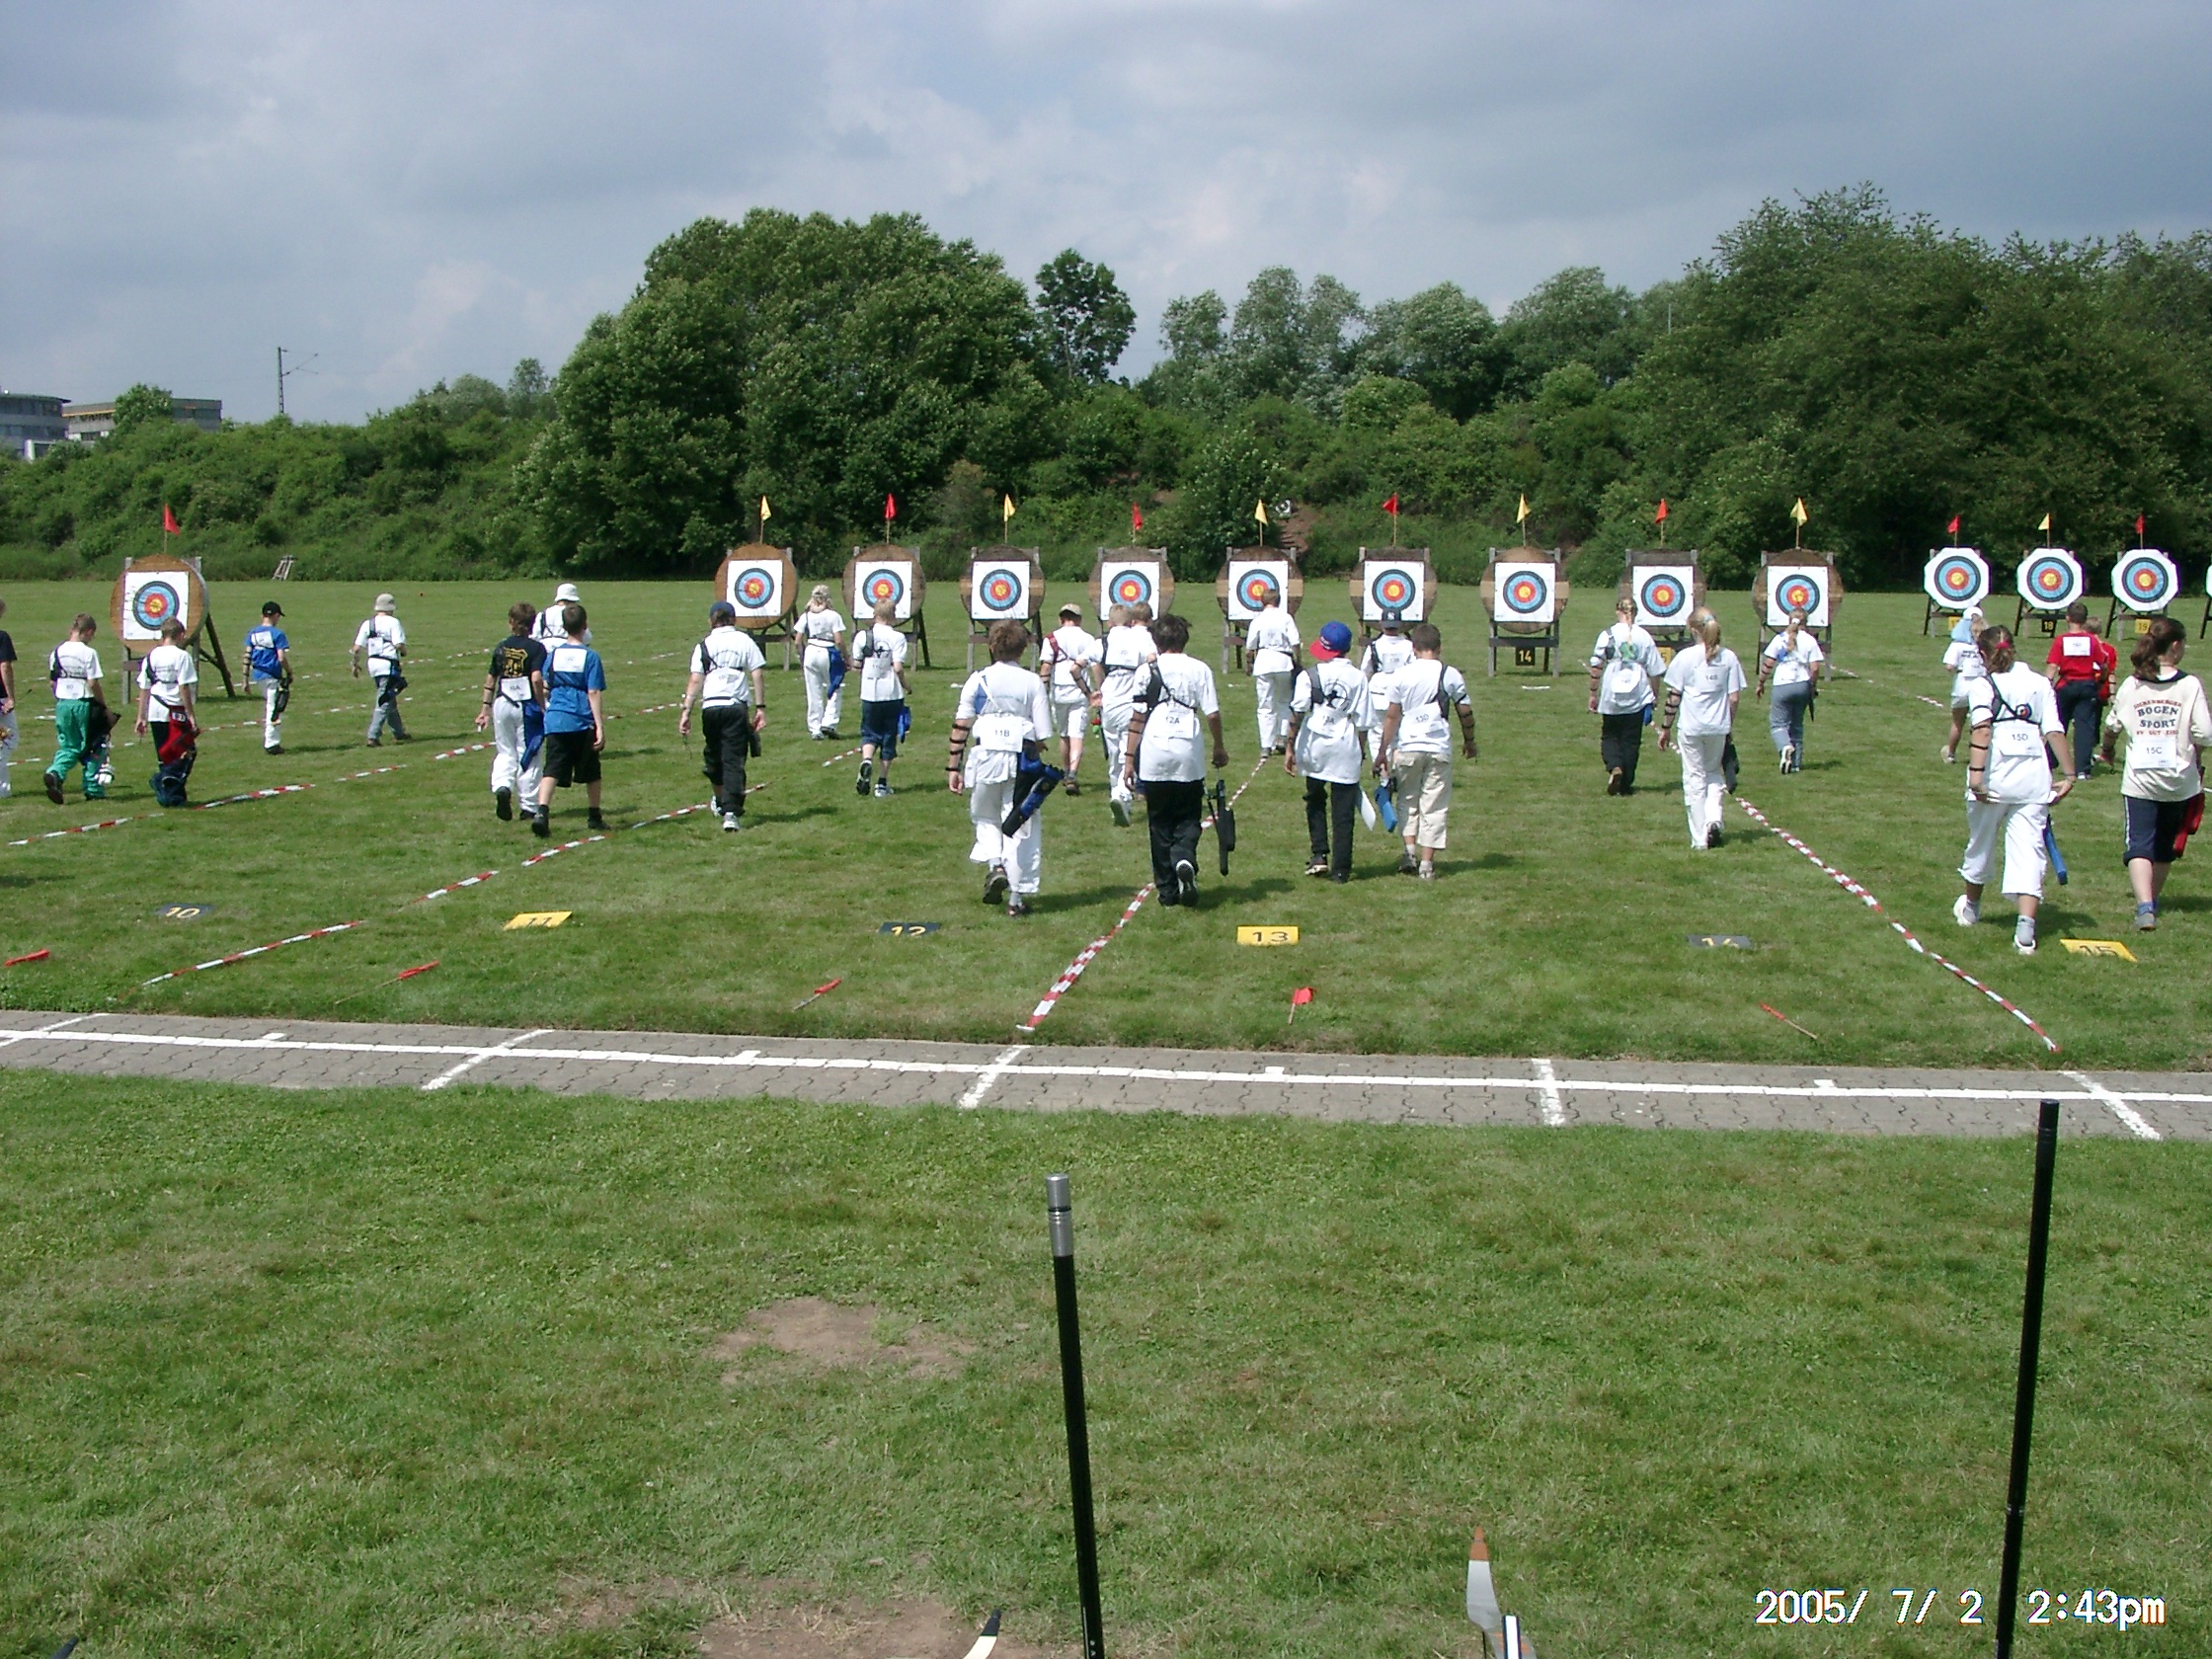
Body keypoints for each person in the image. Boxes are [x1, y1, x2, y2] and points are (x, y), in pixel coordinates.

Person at [1955, 624, 2074, 954]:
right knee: (2029, 850)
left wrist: (1976, 778)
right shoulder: (2039, 683)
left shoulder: (1983, 685)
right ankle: (2025, 929)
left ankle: (1971, 907)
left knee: (1981, 843)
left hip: (1995, 777)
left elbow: (1982, 730)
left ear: (1983, 654)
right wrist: (2069, 774)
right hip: (2033, 778)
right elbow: (2054, 730)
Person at [2100, 616, 2211, 930]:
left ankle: (2144, 905)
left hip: (2140, 779)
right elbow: (2204, 733)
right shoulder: (2189, 685)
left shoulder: (2133, 684)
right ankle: (2152, 900)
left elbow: (2112, 725)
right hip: (2178, 779)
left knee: (2139, 842)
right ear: (2175, 646)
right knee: (2164, 845)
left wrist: (2107, 749)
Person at [948, 619, 1052, 916]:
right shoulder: (1032, 681)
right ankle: (1016, 898)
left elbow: (961, 725)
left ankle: (995, 865)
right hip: (1022, 759)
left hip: (985, 757)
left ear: (992, 647)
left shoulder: (978, 679)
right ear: (1023, 648)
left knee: (984, 815)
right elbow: (1043, 734)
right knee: (1019, 825)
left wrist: (952, 767)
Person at [1122, 612, 1226, 907]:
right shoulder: (1199, 669)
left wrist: (1128, 760)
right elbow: (1213, 714)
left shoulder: (1146, 671)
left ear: (1156, 640)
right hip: (1187, 752)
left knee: (1159, 822)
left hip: (1154, 752)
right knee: (1189, 815)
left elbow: (1137, 718)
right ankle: (1184, 857)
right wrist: (1219, 747)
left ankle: (1167, 891)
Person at [1376, 621, 1476, 879]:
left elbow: (1392, 716)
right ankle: (1427, 865)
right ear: (1439, 648)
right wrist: (1470, 741)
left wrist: (1382, 751)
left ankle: (1409, 852)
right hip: (1438, 747)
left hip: (1408, 746)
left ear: (1414, 648)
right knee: (1434, 805)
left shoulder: (1401, 675)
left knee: (1407, 799)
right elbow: (1465, 712)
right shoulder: (1450, 674)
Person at [1285, 619, 1371, 882]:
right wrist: (1361, 751)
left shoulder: (1308, 675)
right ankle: (1341, 869)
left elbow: (1297, 713)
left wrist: (1289, 747)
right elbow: (1363, 722)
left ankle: (1319, 854)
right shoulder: (1358, 677)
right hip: (1345, 745)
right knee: (1343, 810)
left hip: (1314, 746)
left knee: (1315, 799)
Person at [1657, 609, 1746, 849]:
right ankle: (1713, 819)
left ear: (1693, 629)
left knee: (1694, 778)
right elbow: (1734, 698)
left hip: (1692, 727)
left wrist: (1665, 727)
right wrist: (1728, 725)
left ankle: (1699, 838)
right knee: (1713, 772)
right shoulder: (1729, 657)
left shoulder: (1685, 657)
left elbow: (1674, 696)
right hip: (1718, 727)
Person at [680, 599, 767, 830]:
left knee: (714, 756)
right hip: (735, 707)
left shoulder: (704, 644)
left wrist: (686, 711)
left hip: (710, 707)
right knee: (733, 759)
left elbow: (695, 679)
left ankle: (721, 801)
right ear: (733, 619)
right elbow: (757, 673)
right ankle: (730, 811)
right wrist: (760, 707)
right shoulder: (744, 640)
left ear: (711, 621)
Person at [531, 602, 607, 837]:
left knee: (552, 768)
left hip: (556, 718)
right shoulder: (590, 657)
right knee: (592, 771)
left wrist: (544, 704)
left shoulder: (554, 655)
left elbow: (542, 681)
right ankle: (594, 815)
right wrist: (599, 725)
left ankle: (542, 811)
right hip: (581, 719)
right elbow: (593, 691)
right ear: (585, 626)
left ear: (564, 627)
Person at [476, 601, 548, 823]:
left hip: (502, 702)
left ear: (511, 622)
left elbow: (491, 679)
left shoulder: (501, 647)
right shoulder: (536, 648)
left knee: (505, 750)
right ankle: (528, 806)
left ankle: (502, 785)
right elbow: (536, 678)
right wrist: (542, 704)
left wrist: (484, 709)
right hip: (526, 705)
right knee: (529, 753)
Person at [1587, 595, 1665, 794]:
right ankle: (1626, 783)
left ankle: (1615, 766)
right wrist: (1654, 696)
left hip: (1612, 695)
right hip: (1637, 694)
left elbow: (1596, 666)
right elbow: (1655, 671)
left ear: (1617, 611)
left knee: (1610, 734)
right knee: (1631, 739)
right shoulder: (1644, 636)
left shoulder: (1607, 635)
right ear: (1635, 612)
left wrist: (1593, 693)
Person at [1095, 600, 1156, 828]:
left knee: (1114, 754)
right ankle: (1122, 795)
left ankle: (1117, 795)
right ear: (1130, 622)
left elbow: (1078, 666)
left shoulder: (1104, 641)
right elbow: (1153, 659)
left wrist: (1092, 692)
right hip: (1130, 702)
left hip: (1108, 702)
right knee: (1127, 752)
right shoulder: (1139, 639)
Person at [2045, 600, 2118, 780]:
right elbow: (2103, 664)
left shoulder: (2061, 640)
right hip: (2087, 685)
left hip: (2066, 685)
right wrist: (2102, 680)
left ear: (2067, 618)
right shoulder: (2092, 640)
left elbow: (2053, 666)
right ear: (2085, 620)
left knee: (2058, 724)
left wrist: (2047, 685)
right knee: (2084, 727)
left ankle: (2049, 762)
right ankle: (2082, 770)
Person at [42, 613, 108, 803]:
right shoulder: (88, 653)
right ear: (88, 631)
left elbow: (52, 681)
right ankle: (93, 788)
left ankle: (56, 772)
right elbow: (92, 682)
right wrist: (102, 706)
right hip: (83, 702)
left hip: (63, 703)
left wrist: (60, 697)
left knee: (68, 745)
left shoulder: (57, 651)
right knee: (94, 744)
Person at [1756, 605, 1827, 772]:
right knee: (1797, 725)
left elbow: (1768, 664)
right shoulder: (1810, 640)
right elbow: (1815, 668)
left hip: (1782, 685)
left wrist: (1761, 683)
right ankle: (1795, 764)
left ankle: (1785, 746)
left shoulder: (1780, 638)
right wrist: (1812, 686)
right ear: (1806, 622)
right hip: (1802, 685)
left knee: (1778, 724)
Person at [1039, 601, 1101, 792]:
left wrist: (1041, 691)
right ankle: (1072, 774)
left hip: (1059, 692)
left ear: (1061, 619)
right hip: (1081, 691)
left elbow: (1046, 667)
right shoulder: (1088, 638)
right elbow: (1095, 667)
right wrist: (1099, 691)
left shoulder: (1051, 638)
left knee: (1064, 734)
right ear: (1079, 620)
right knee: (1077, 734)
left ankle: (1066, 773)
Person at [137, 617, 198, 806]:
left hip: (155, 710)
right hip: (175, 709)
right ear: (180, 635)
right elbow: (183, 686)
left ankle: (172, 797)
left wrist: (141, 716)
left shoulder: (151, 656)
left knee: (165, 755)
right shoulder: (182, 656)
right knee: (186, 751)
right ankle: (162, 782)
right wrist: (190, 714)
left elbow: (144, 687)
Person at [852, 595, 908, 798]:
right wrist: (906, 685)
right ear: (893, 616)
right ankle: (882, 784)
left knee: (869, 732)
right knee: (888, 737)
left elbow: (856, 665)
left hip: (869, 693)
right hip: (891, 693)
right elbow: (898, 667)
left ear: (874, 614)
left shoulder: (862, 636)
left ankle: (867, 760)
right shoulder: (897, 637)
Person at [1244, 582, 1302, 753]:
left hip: (1263, 662)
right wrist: (1298, 661)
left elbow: (1249, 649)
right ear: (1279, 601)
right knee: (1285, 700)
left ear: (1262, 602)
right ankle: (1282, 737)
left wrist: (1249, 664)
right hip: (1283, 662)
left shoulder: (1258, 620)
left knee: (1265, 705)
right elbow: (1295, 643)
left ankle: (1266, 745)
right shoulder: (1286, 618)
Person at [352, 592, 409, 745]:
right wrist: (404, 652)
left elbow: (356, 648)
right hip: (388, 665)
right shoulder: (393, 622)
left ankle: (399, 732)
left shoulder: (367, 624)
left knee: (389, 698)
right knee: (384, 700)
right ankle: (373, 735)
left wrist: (355, 665)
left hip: (373, 664)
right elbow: (398, 644)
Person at [1360, 605, 1417, 749]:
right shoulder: (1409, 646)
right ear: (1400, 625)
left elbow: (1365, 672)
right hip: (1402, 698)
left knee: (1377, 736)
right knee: (1400, 735)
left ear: (1381, 624)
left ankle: (1381, 762)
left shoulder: (1374, 646)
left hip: (1378, 698)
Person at [796, 585, 847, 740]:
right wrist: (846, 656)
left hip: (811, 649)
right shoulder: (833, 615)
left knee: (813, 692)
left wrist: (802, 656)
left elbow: (798, 640)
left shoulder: (806, 615)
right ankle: (829, 723)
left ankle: (815, 729)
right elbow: (839, 640)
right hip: (827, 651)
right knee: (835, 687)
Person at [1939, 604, 1987, 763]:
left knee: (1957, 723)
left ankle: (1951, 754)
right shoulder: (1985, 645)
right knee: (1979, 724)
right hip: (1982, 687)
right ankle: (1980, 756)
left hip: (1962, 686)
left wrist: (1956, 670)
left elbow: (1949, 666)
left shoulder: (1957, 645)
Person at [244, 600, 290, 754]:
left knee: (271, 705)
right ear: (275, 615)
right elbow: (281, 658)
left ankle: (271, 741)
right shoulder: (277, 634)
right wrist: (289, 672)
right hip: (272, 675)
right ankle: (271, 743)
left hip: (258, 675)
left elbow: (247, 656)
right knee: (274, 708)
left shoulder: (253, 633)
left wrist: (245, 679)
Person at [0, 594, 17, 798]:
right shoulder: (2, 637)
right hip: (0, 697)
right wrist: (10, 696)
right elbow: (4, 666)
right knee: (8, 739)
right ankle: (1, 788)